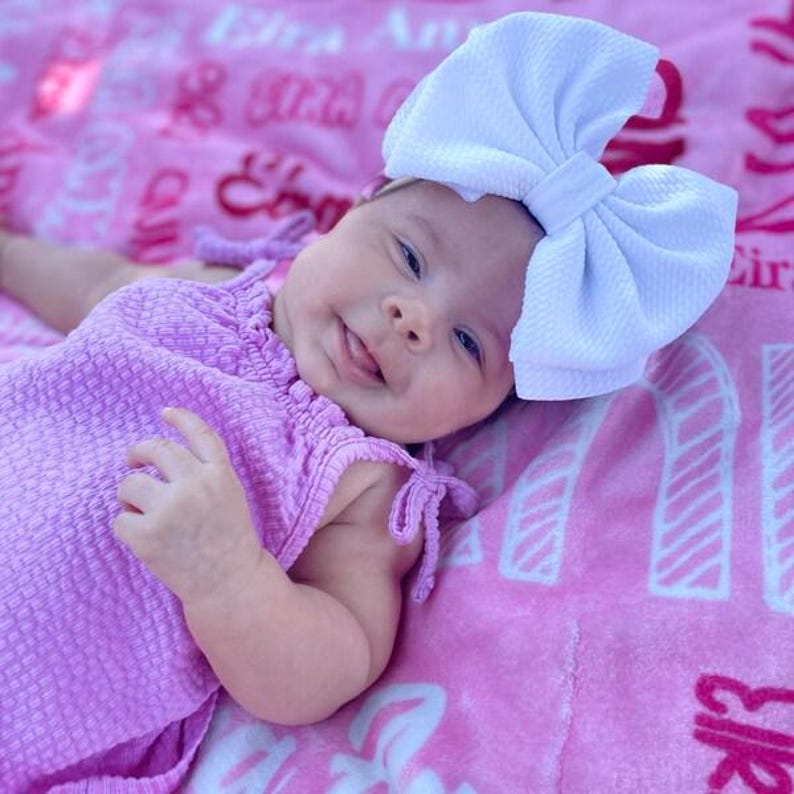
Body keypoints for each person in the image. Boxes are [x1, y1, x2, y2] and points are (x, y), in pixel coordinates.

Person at [0, 11, 736, 791]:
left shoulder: (359, 483)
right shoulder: (212, 291)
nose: (413, 318)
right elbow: (93, 284)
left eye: (468, 343)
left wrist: (227, 579)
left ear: (490, 407)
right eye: (411, 255)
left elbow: (333, 661)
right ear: (356, 206)